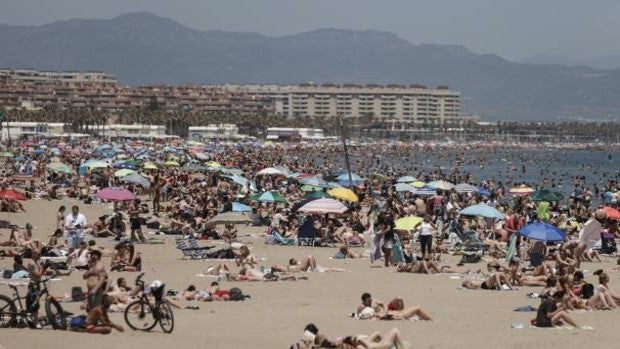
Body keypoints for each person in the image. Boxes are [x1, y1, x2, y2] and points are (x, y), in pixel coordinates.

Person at [341, 328, 408, 349]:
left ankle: (397, 346)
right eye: (355, 340)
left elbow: (377, 333)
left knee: (378, 332)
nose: (357, 339)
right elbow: (369, 347)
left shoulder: (359, 343)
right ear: (353, 344)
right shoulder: (359, 346)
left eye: (355, 337)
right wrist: (362, 340)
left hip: (381, 344)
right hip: (384, 345)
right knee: (395, 330)